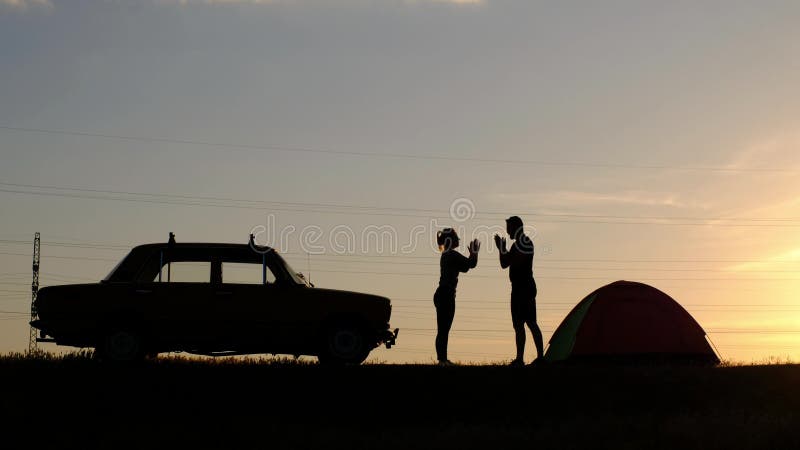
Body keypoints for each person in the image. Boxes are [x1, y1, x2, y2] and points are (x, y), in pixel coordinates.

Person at [494, 216, 544, 366]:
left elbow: (506, 263)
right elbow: (505, 263)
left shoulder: (523, 244)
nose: (507, 231)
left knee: (528, 323)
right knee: (521, 324)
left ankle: (536, 357)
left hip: (523, 288)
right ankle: (522, 358)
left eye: (509, 228)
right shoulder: (521, 244)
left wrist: (502, 249)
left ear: (516, 228)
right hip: (520, 287)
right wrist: (502, 249)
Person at [433, 228, 480, 366]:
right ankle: (442, 360)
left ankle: (442, 359)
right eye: (456, 237)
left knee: (442, 329)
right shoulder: (452, 254)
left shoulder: (447, 255)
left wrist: (471, 256)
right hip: (446, 295)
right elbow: (471, 264)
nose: (458, 239)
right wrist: (474, 253)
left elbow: (465, 268)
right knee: (443, 329)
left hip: (442, 293)